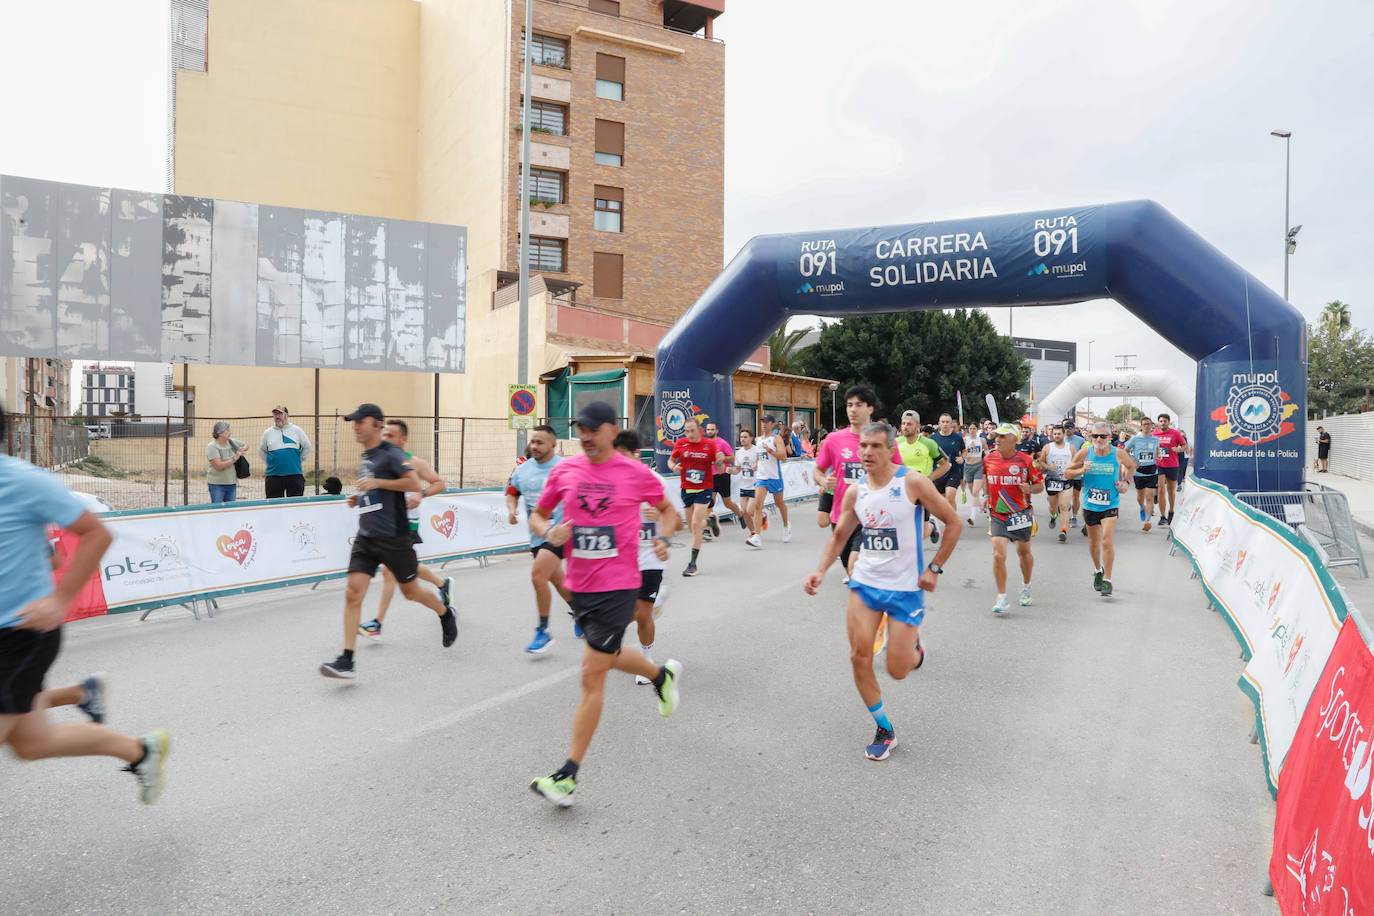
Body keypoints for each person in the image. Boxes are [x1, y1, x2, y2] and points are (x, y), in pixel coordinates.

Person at [0, 410, 170, 804]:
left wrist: (60, 600)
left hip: (19, 635)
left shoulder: (22, 480)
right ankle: (140, 751)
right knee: (31, 743)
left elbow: (97, 533)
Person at [528, 401, 682, 807]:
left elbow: (669, 512)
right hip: (581, 586)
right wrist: (550, 532)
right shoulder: (565, 470)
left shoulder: (636, 473)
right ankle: (660, 677)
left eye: (593, 429)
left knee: (592, 671)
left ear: (613, 431)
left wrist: (663, 538)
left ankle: (567, 776)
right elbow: (538, 516)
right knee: (609, 656)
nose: (585, 436)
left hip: (620, 586)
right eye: (580, 429)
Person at [804, 421, 960, 761]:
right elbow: (840, 536)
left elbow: (954, 522)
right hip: (866, 584)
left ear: (891, 450)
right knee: (859, 657)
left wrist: (934, 568)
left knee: (898, 670)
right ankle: (884, 728)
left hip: (905, 589)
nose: (867, 452)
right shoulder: (855, 491)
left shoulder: (913, 483)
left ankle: (915, 647)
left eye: (875, 446)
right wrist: (820, 569)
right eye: (863, 446)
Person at [319, 404, 456, 678]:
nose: (355, 426)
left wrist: (378, 484)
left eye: (360, 422)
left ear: (376, 424)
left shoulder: (392, 454)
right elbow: (375, 488)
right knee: (352, 592)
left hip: (394, 536)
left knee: (411, 591)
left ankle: (445, 613)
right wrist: (360, 498)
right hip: (367, 535)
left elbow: (413, 484)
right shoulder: (366, 455)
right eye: (353, 422)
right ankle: (347, 660)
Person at [357, 419, 455, 641]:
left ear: (403, 439)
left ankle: (377, 624)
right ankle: (442, 584)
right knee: (404, 568)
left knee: (389, 571)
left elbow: (439, 483)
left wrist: (421, 494)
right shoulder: (380, 460)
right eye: (385, 435)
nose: (386, 439)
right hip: (385, 523)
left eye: (391, 436)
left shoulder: (415, 463)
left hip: (405, 523)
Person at [614, 431, 681, 685]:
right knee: (624, 610)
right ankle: (656, 604)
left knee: (641, 612)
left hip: (651, 557)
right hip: (621, 557)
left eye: (623, 456)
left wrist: (661, 520)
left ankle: (646, 659)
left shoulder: (655, 481)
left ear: (636, 455)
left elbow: (677, 521)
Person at [505, 425, 574, 654]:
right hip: (538, 535)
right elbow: (512, 492)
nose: (534, 446)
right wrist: (512, 509)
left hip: (561, 532)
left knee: (538, 576)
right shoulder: (523, 470)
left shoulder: (565, 468)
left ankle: (543, 631)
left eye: (540, 442)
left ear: (553, 445)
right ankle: (583, 614)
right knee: (557, 581)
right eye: (533, 441)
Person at [1064, 421, 1138, 598]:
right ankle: (1098, 569)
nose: (1098, 439)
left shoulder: (1118, 453)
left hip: (1110, 503)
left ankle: (1108, 579)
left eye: (1102, 436)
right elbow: (1067, 473)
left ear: (1110, 437)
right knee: (1093, 543)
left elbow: (1132, 466)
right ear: (1090, 437)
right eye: (1095, 435)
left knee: (1106, 541)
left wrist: (1126, 483)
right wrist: (1082, 469)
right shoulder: (1085, 452)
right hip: (1090, 504)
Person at [983, 423, 1044, 614]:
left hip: (1020, 513)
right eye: (996, 436)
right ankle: (1002, 597)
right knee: (998, 553)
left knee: (1024, 553)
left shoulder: (1026, 461)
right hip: (998, 513)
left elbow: (1039, 487)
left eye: (1002, 437)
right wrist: (986, 496)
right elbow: (986, 478)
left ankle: (1026, 586)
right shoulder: (989, 458)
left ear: (1014, 440)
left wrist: (1030, 488)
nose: (997, 440)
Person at [668, 417, 726, 577]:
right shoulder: (681, 443)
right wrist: (674, 467)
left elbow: (720, 470)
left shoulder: (710, 445)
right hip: (686, 488)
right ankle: (710, 521)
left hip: (704, 488)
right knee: (693, 527)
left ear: (699, 430)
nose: (689, 434)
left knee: (694, 523)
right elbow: (671, 460)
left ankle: (692, 564)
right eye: (686, 431)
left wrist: (720, 462)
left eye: (692, 430)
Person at [259, 405, 313, 499]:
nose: (277, 416)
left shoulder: (297, 430)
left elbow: (307, 448)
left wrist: (297, 461)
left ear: (286, 416)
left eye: (280, 413)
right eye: (275, 414)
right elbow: (262, 451)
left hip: (294, 475)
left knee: (295, 506)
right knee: (274, 506)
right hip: (273, 476)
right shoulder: (267, 432)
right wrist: (270, 463)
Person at [704, 420, 746, 537]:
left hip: (722, 475)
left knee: (727, 503)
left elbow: (732, 458)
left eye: (712, 429)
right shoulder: (704, 443)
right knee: (708, 503)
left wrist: (722, 459)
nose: (710, 431)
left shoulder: (722, 443)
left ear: (716, 431)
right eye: (708, 429)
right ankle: (707, 529)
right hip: (709, 476)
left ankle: (740, 515)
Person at [928, 413, 966, 544]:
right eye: (942, 421)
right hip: (938, 474)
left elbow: (964, 450)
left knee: (950, 495)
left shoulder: (957, 437)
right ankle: (949, 519)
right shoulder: (933, 439)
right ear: (939, 423)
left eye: (947, 422)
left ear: (951, 424)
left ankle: (951, 524)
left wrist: (962, 458)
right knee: (943, 501)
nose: (945, 424)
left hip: (954, 472)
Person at [753, 414, 791, 542]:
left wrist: (769, 450)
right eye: (763, 421)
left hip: (774, 476)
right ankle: (757, 536)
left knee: (779, 503)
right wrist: (756, 464)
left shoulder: (776, 438)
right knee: (758, 505)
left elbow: (783, 456)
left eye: (767, 422)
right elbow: (759, 455)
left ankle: (786, 526)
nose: (764, 424)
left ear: (772, 424)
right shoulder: (758, 440)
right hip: (761, 477)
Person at [1122, 417, 1161, 531]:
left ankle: (1147, 521)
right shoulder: (1135, 439)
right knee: (1140, 497)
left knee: (1149, 497)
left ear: (1152, 426)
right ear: (1141, 426)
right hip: (1139, 473)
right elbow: (1125, 451)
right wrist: (1133, 461)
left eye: (1148, 424)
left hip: (1152, 471)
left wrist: (1158, 456)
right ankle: (1141, 507)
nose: (1147, 426)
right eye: (1144, 424)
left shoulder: (1156, 439)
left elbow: (1157, 450)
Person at [1037, 425, 1075, 542]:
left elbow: (1077, 461)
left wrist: (1072, 469)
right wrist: (1049, 467)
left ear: (1063, 434)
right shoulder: (1048, 447)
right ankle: (1053, 516)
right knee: (1053, 507)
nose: (1057, 436)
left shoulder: (1071, 447)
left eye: (1059, 434)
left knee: (1064, 506)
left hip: (1066, 480)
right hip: (1052, 480)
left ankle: (1064, 530)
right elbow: (1041, 462)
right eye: (1055, 434)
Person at [1154, 413, 1188, 525]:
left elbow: (1185, 446)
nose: (1163, 423)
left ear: (1168, 422)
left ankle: (1171, 511)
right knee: (1160, 489)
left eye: (1165, 421)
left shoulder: (1175, 433)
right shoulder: (1154, 434)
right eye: (1161, 421)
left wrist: (1178, 449)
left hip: (1172, 465)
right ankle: (1162, 516)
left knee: (1170, 490)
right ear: (1158, 422)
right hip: (1159, 465)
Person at [733, 428, 764, 548]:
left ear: (751, 438)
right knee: (744, 512)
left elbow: (765, 463)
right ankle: (753, 533)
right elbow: (738, 469)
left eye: (745, 437)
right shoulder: (739, 452)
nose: (742, 439)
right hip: (743, 485)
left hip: (755, 484)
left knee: (751, 510)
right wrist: (732, 471)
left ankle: (761, 515)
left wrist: (758, 464)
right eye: (741, 437)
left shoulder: (757, 451)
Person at [205, 421, 248, 503]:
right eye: (227, 430)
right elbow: (219, 466)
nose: (230, 432)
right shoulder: (212, 447)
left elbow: (246, 445)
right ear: (220, 433)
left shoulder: (231, 442)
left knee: (230, 510)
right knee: (218, 510)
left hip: (231, 483)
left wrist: (242, 449)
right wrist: (235, 458)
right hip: (217, 485)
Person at [961, 422, 987, 524]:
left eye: (974, 428)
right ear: (968, 430)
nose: (972, 430)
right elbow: (962, 455)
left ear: (977, 429)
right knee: (973, 492)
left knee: (975, 492)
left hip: (978, 466)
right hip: (968, 467)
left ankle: (972, 517)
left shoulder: (981, 440)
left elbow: (986, 450)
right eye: (970, 428)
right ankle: (982, 502)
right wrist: (968, 449)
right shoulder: (965, 440)